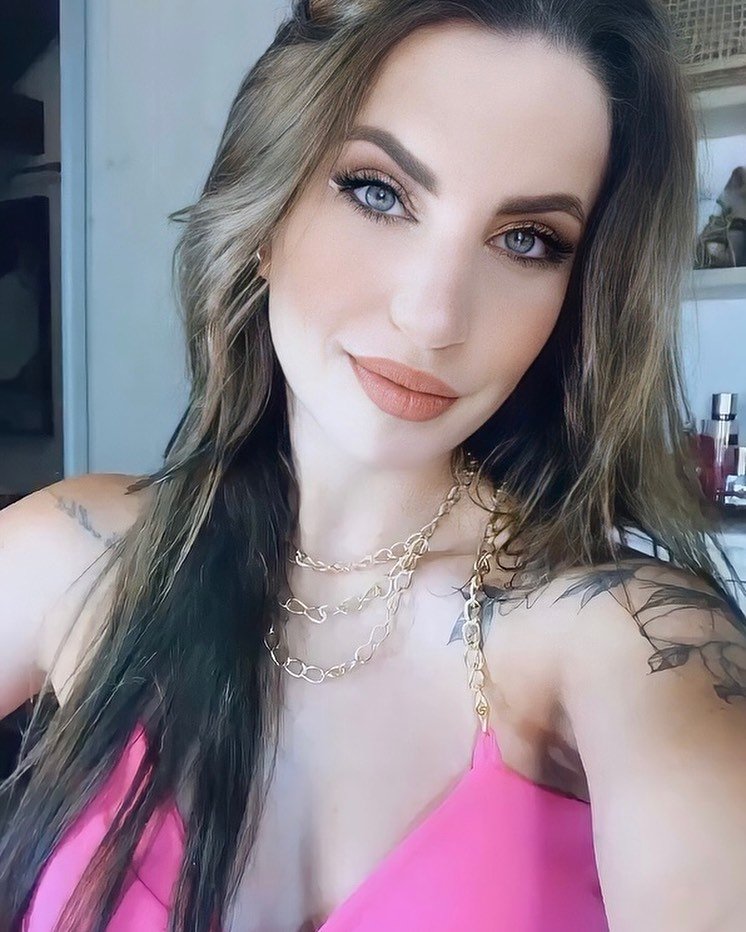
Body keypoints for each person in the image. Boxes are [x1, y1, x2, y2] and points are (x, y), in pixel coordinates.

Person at [1, 0, 745, 929]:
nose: (433, 317)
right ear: (267, 209)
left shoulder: (628, 642)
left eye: (527, 241)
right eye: (379, 192)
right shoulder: (77, 556)